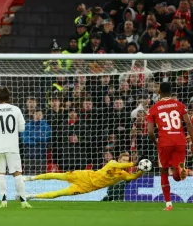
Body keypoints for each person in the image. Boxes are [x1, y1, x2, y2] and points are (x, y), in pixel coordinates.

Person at [146, 82, 193, 211]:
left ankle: (168, 204)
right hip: (180, 140)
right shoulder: (179, 105)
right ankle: (182, 169)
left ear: (159, 91)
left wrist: (155, 141)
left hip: (164, 142)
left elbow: (150, 132)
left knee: (164, 172)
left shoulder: (154, 108)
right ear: (171, 91)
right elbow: (188, 124)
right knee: (177, 177)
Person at [24, 152, 145, 200]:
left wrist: (142, 170)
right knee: (57, 175)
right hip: (84, 176)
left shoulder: (123, 175)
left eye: (126, 160)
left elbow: (133, 177)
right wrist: (133, 163)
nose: (124, 162)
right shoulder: (112, 163)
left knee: (59, 193)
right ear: (119, 159)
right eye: (123, 160)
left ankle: (32, 196)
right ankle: (31, 178)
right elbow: (122, 165)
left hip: (86, 188)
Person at [0, 87, 32, 209]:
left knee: (0, 174)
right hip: (12, 147)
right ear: (9, 97)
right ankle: (23, 202)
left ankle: (3, 201)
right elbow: (22, 128)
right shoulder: (16, 110)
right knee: (17, 174)